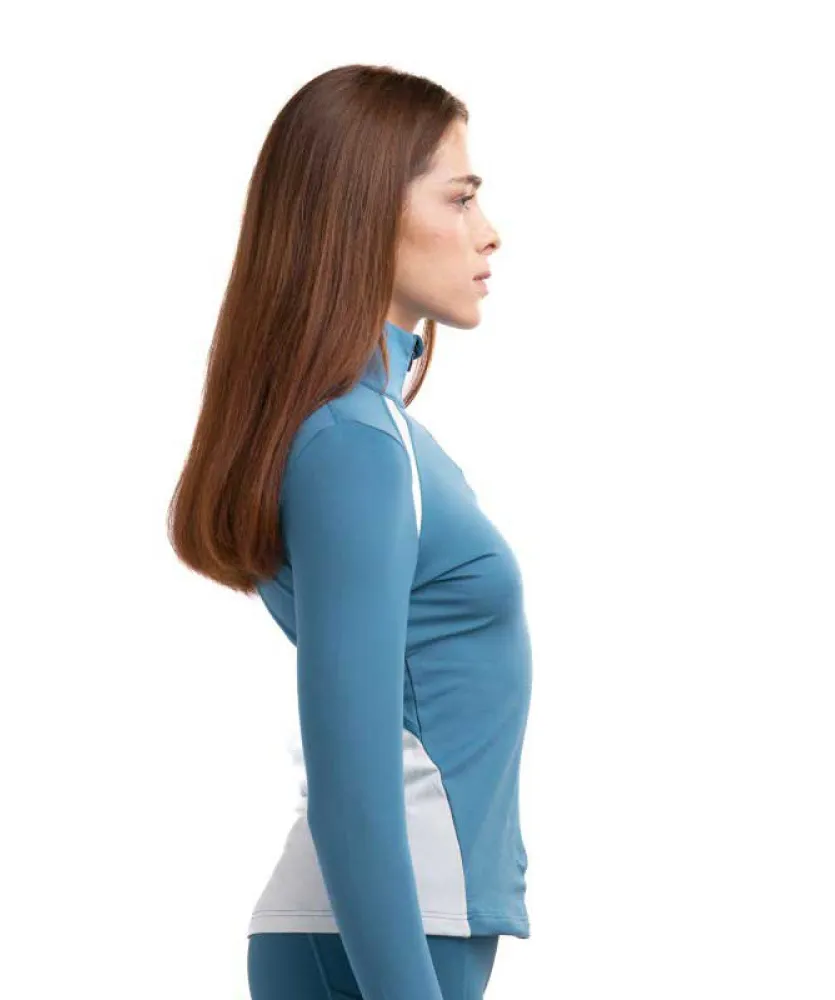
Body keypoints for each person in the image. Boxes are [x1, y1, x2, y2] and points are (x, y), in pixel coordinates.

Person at [168, 63, 532, 1000]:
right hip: (381, 937)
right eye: (460, 198)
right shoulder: (356, 445)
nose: (488, 231)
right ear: (366, 211)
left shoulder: (377, 434)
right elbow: (350, 776)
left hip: (386, 931)